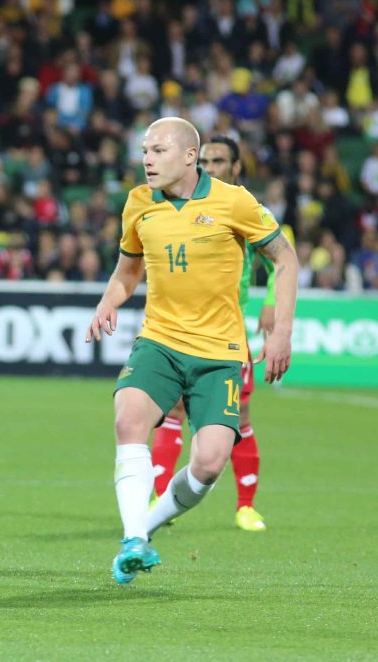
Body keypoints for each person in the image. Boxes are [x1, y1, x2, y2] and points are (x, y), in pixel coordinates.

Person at [85, 117, 298, 584]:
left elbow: (284, 257)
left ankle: (147, 528)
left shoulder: (234, 202)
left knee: (207, 463)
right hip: (160, 341)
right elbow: (127, 271)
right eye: (144, 150)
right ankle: (133, 540)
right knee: (128, 416)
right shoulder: (139, 203)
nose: (146, 159)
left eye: (158, 150)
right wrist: (108, 300)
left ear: (188, 156)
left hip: (219, 353)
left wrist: (281, 331)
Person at [150, 136, 275, 532]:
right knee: (171, 409)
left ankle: (245, 506)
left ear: (237, 167)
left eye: (219, 160)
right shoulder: (180, 203)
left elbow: (279, 263)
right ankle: (158, 495)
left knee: (240, 415)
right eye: (206, 159)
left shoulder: (246, 209)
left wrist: (272, 303)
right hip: (180, 325)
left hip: (226, 330)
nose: (212, 165)